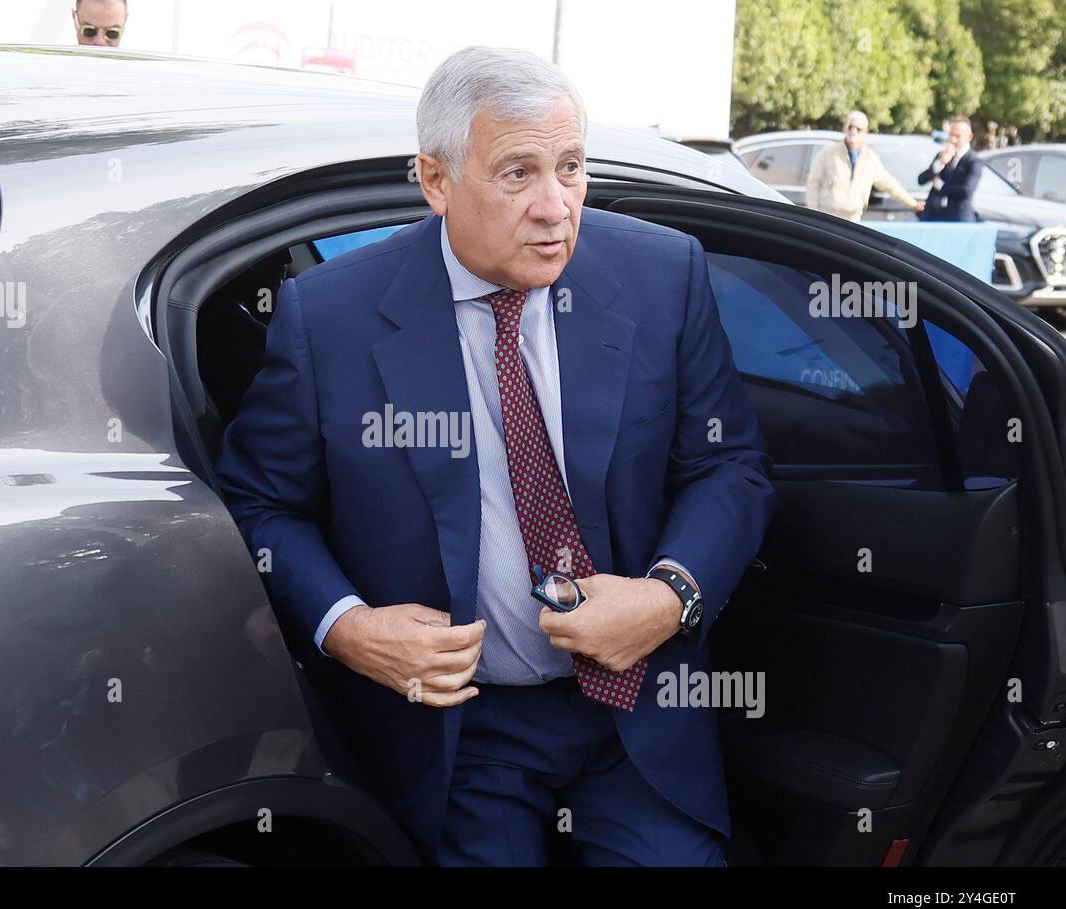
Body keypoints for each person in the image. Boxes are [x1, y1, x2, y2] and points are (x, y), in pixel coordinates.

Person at [216, 46, 776, 866]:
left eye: (572, 168)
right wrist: (349, 628)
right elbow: (259, 504)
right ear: (436, 181)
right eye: (518, 174)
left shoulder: (662, 274)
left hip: (638, 717)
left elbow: (731, 469)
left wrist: (669, 598)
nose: (557, 208)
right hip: (462, 732)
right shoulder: (328, 318)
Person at [806, 111, 923, 221]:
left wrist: (913, 204)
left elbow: (889, 184)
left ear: (865, 131)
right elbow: (813, 183)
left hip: (853, 219)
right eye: (850, 127)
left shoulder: (870, 159)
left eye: (858, 129)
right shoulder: (828, 153)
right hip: (828, 216)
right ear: (845, 128)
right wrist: (814, 214)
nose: (853, 131)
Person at [918, 116, 983, 222]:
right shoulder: (942, 155)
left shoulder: (973, 161)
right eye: (951, 135)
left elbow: (966, 191)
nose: (953, 139)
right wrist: (940, 164)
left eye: (958, 136)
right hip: (934, 215)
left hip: (958, 217)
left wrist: (940, 186)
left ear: (970, 137)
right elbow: (921, 180)